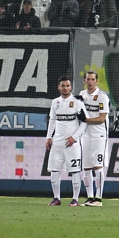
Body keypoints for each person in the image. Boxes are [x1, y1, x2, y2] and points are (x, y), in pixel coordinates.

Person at [46, 76, 87, 206]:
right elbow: (52, 120)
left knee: (75, 171)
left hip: (72, 144)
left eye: (68, 85)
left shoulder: (77, 102)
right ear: (59, 87)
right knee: (54, 170)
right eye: (63, 86)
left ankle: (75, 199)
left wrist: (74, 138)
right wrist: (48, 137)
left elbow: (85, 123)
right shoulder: (55, 102)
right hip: (57, 142)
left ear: (71, 87)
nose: (65, 88)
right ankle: (56, 198)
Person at [77, 71, 110, 207]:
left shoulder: (102, 97)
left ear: (96, 81)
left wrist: (86, 120)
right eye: (88, 79)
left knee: (98, 167)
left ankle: (99, 198)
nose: (90, 82)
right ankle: (90, 197)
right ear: (84, 81)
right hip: (85, 136)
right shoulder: (82, 95)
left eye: (92, 79)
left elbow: (102, 118)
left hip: (99, 136)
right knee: (86, 168)